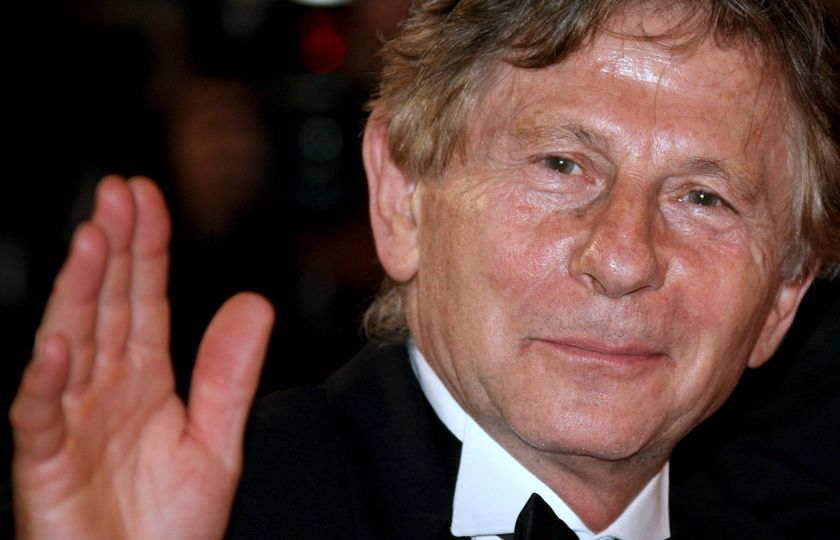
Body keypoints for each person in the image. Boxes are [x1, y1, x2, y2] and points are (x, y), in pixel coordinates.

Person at [7, 0, 840, 538]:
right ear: (402, 197)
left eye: (703, 198)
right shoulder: (220, 514)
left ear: (783, 295)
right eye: (560, 165)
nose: (624, 258)